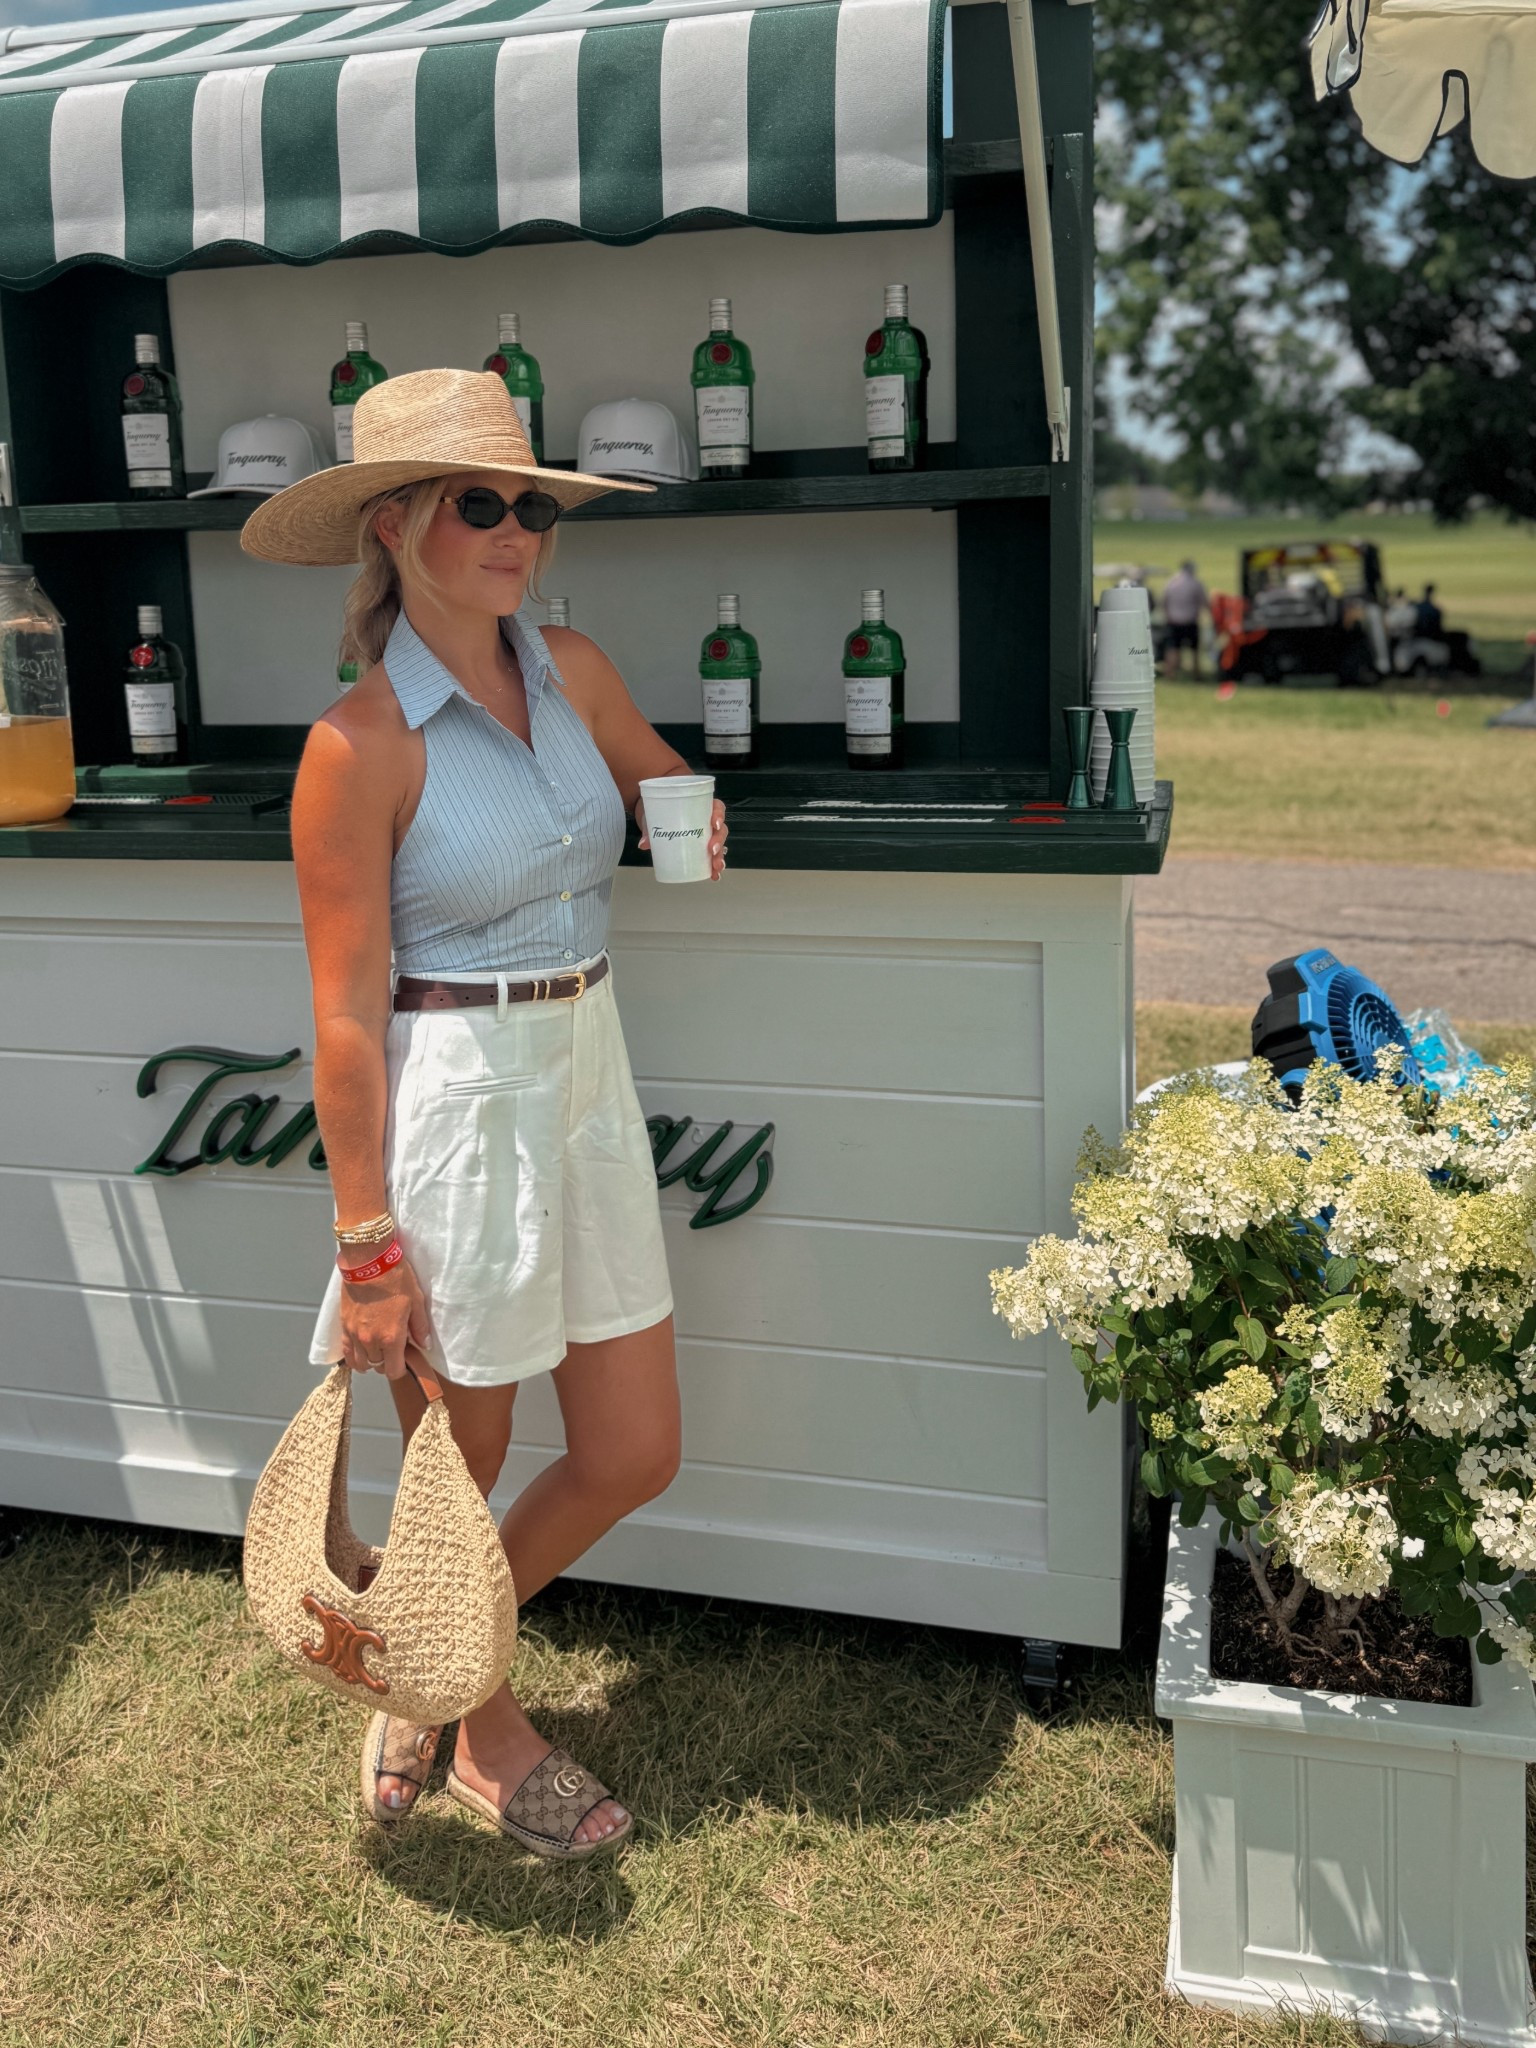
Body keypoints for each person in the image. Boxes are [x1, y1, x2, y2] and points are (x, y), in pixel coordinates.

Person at [241, 368, 728, 1860]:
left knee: (633, 1448)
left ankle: (423, 1652)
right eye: (482, 504)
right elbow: (342, 1015)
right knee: (465, 1457)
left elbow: (658, 783)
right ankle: (479, 1728)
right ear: (393, 528)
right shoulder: (356, 747)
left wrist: (684, 808)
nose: (518, 529)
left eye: (532, 505)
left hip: (586, 1063)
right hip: (455, 1097)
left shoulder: (571, 666)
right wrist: (367, 1243)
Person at [1160, 558, 1210, 679]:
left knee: (1173, 649)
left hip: (1173, 621)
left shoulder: (1171, 583)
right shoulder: (1195, 583)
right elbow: (1204, 602)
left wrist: (1167, 615)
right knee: (1194, 650)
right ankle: (1196, 674)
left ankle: (1170, 674)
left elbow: (1163, 601)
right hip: (1190, 621)